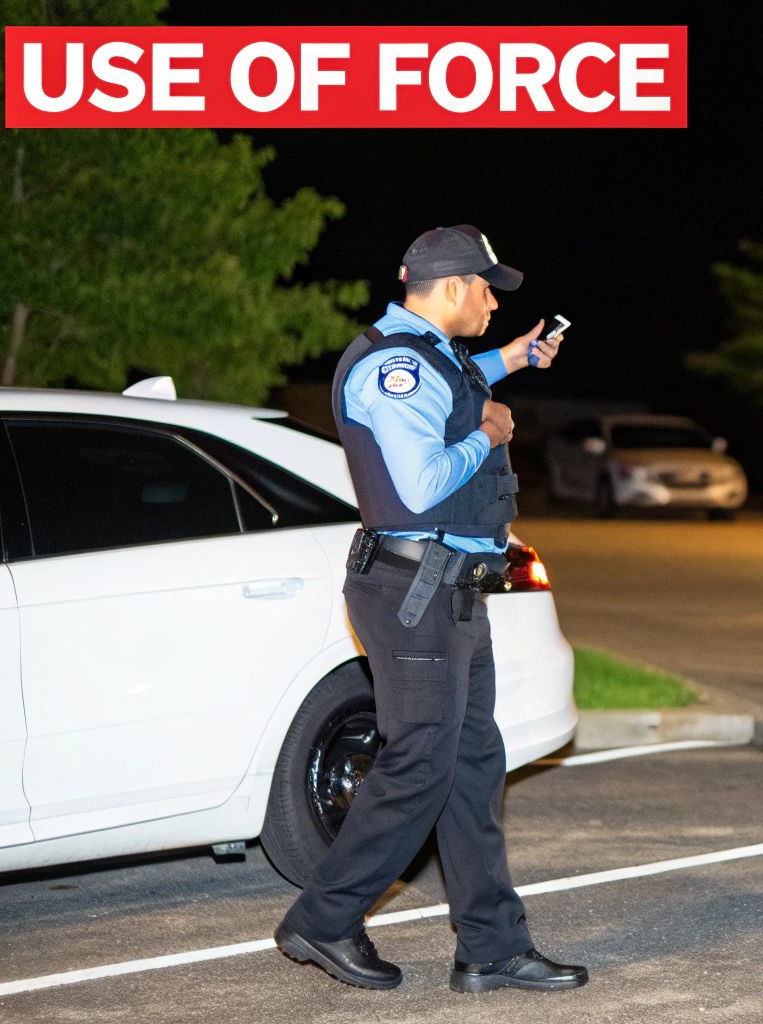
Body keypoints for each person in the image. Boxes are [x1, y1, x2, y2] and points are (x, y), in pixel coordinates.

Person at [275, 224, 586, 994]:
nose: (491, 301)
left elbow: (458, 376)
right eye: (486, 289)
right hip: (416, 593)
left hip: (449, 591)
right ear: (452, 286)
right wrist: (488, 430)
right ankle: (322, 918)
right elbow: (419, 485)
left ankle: (491, 947)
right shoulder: (395, 368)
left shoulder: (429, 357)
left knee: (473, 766)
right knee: (418, 766)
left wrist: (512, 359)